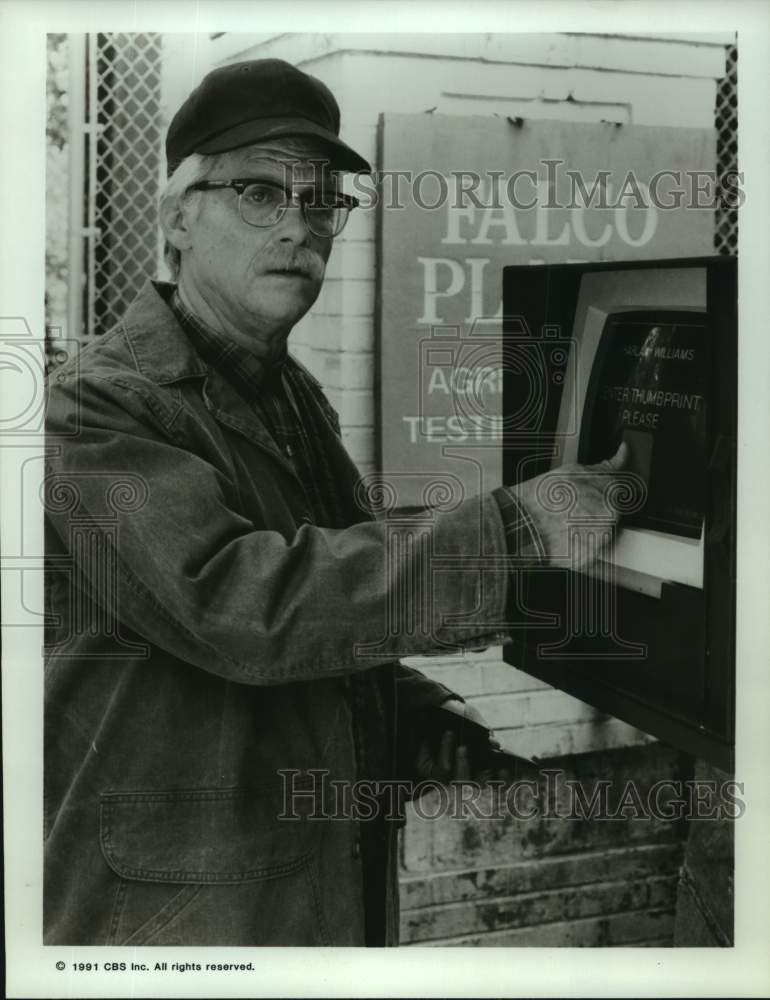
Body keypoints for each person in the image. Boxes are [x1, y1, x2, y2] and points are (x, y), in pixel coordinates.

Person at [44, 58, 627, 947]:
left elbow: (330, 623)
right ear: (176, 218)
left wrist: (427, 726)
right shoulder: (97, 406)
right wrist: (514, 528)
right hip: (172, 921)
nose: (299, 226)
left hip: (307, 897)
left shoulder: (288, 394)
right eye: (259, 192)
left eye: (321, 200)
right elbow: (246, 609)